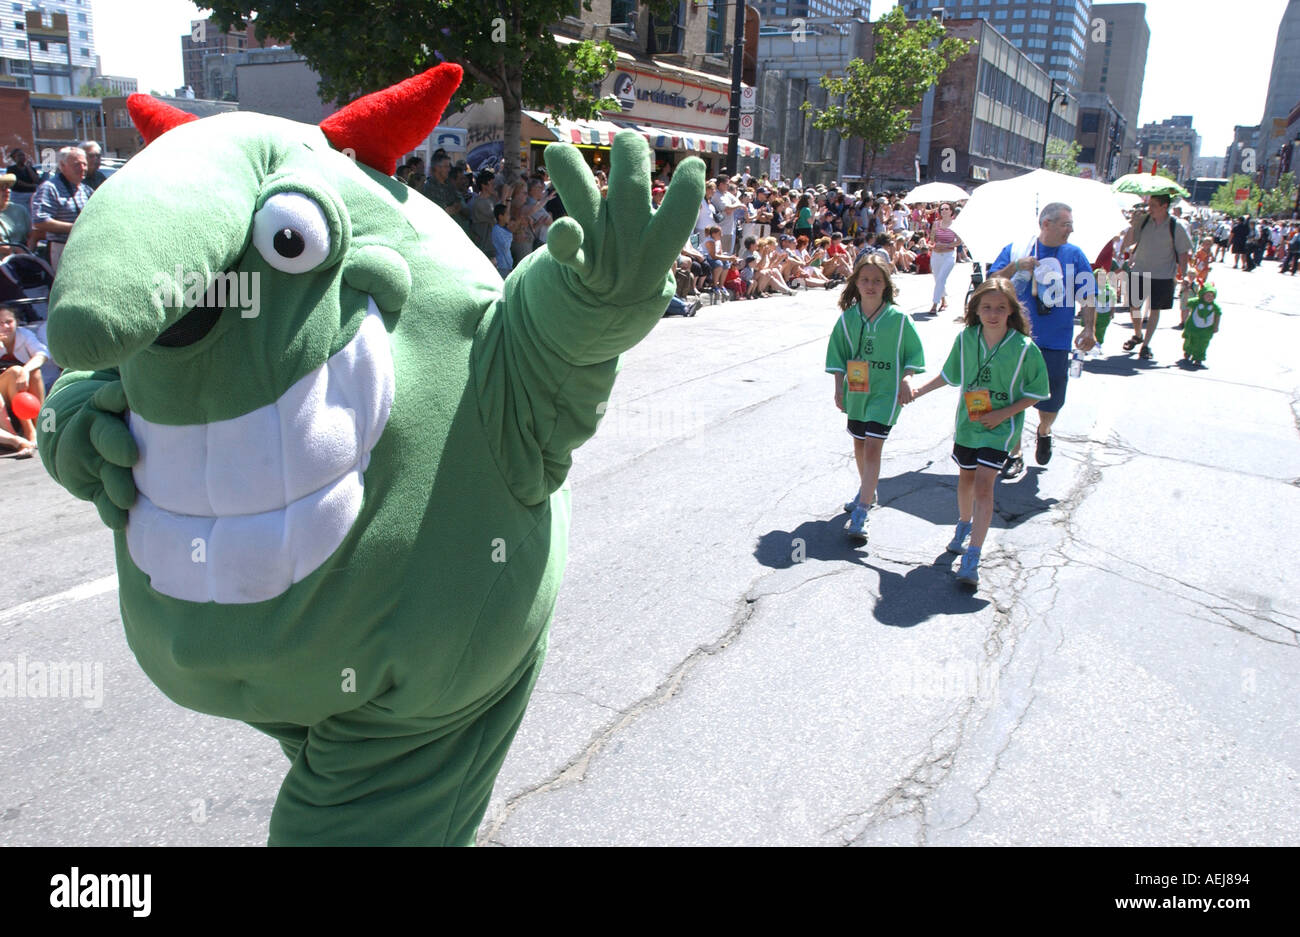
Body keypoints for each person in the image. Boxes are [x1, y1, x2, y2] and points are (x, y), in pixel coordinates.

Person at [904, 279, 1050, 587]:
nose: (993, 314)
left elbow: (1036, 393)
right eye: (986, 307)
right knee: (966, 480)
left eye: (1000, 307)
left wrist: (1002, 413)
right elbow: (949, 375)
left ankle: (973, 555)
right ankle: (963, 523)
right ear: (976, 309)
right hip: (969, 425)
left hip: (1000, 429)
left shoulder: (1025, 348)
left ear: (1011, 310)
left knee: (984, 486)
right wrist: (919, 390)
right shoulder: (966, 338)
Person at [989, 201, 1097, 477]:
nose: (1070, 230)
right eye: (1066, 224)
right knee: (1010, 397)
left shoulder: (1074, 255)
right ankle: (1013, 454)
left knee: (1050, 402)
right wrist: (1015, 267)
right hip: (1015, 339)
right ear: (1046, 224)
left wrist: (1089, 329)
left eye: (1071, 225)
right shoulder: (1018, 251)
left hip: (1056, 341)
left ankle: (1044, 430)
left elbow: (1088, 294)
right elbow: (990, 285)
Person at [826, 254, 924, 543]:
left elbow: (913, 355)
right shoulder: (847, 319)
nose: (870, 285)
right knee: (858, 442)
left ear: (886, 285)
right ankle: (867, 489)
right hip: (857, 392)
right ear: (856, 282)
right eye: (865, 279)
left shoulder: (900, 319)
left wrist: (907, 378)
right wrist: (838, 387)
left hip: (886, 393)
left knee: (872, 448)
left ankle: (861, 512)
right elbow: (838, 356)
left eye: (876, 281)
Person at [1118, 193, 1191, 360]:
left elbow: (1183, 252)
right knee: (1134, 306)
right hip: (1140, 270)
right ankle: (1137, 334)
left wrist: (1185, 274)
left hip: (1163, 274)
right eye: (1149, 204)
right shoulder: (1144, 221)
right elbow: (1130, 241)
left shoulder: (1176, 226)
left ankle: (1145, 345)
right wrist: (1131, 227)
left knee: (1154, 310)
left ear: (1164, 206)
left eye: (1153, 205)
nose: (1149, 208)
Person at [31, 146, 91, 273]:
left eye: (84, 164)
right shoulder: (50, 188)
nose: (82, 168)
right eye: (77, 165)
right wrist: (75, 227)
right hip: (62, 249)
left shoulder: (84, 189)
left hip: (84, 248)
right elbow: (40, 221)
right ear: (62, 166)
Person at [0, 304, 47, 456]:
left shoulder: (24, 335)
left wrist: (25, 371)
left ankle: (41, 427)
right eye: (0, 323)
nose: (5, 327)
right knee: (15, 371)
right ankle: (29, 432)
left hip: (23, 391)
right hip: (3, 393)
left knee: (34, 372)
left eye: (9, 322)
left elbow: (42, 354)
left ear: (16, 322)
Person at [928, 202, 962, 316]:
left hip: (949, 254)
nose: (944, 211)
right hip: (936, 254)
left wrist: (947, 245)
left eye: (946, 209)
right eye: (942, 209)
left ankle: (934, 304)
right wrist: (932, 244)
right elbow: (932, 239)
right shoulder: (936, 224)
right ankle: (943, 300)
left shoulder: (956, 225)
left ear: (951, 211)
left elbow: (959, 241)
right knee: (937, 279)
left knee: (941, 278)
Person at [1179, 280, 1220, 368]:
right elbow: (1186, 303)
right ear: (1202, 294)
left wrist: (1216, 326)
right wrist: (1186, 294)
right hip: (1192, 328)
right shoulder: (1196, 302)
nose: (1210, 297)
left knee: (1203, 343)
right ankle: (1188, 351)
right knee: (1190, 340)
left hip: (1206, 330)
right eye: (1208, 295)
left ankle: (1198, 358)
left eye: (1212, 296)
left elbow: (1218, 315)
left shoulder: (1214, 306)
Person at [0, 173, 32, 255]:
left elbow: (31, 235)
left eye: (8, 187)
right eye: (2, 188)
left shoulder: (20, 210)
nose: (8, 190)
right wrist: (15, 250)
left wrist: (28, 251)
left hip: (21, 260)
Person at [490, 203, 513, 278]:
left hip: (507, 265)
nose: (509, 216)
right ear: (500, 217)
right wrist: (510, 234)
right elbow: (505, 246)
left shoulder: (505, 230)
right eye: (507, 214)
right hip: (501, 265)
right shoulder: (496, 229)